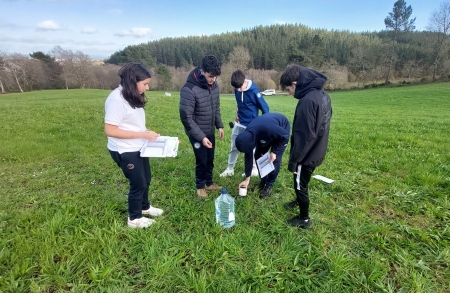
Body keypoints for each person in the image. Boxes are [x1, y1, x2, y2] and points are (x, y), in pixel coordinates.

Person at [104, 62, 164, 229]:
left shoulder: (131, 96)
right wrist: (142, 134)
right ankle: (134, 218)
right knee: (138, 184)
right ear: (132, 81)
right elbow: (110, 130)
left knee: (146, 179)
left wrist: (147, 133)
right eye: (145, 84)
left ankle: (144, 208)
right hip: (124, 150)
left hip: (138, 146)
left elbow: (132, 124)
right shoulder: (116, 100)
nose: (147, 88)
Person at [279, 64, 332, 229]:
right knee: (303, 181)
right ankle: (298, 199)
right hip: (318, 150)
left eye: (288, 89)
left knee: (299, 183)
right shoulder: (322, 95)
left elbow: (304, 137)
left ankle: (304, 218)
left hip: (307, 155)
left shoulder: (306, 102)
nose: (288, 93)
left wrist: (294, 162)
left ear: (295, 83)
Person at [179, 55, 224, 198]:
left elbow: (216, 107)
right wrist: (201, 137)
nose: (213, 79)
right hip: (196, 133)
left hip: (209, 129)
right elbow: (186, 118)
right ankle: (200, 187)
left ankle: (209, 183)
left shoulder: (214, 85)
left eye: (216, 77)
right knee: (202, 159)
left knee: (210, 158)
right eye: (211, 76)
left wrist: (219, 125)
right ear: (202, 71)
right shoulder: (189, 89)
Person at [220, 70, 270, 178]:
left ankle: (254, 170)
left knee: (252, 149)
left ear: (244, 81)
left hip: (251, 126)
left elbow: (265, 109)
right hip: (239, 124)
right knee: (233, 146)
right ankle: (230, 168)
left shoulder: (254, 91)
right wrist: (237, 114)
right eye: (236, 88)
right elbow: (240, 104)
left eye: (239, 87)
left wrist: (262, 125)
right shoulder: (236, 88)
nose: (238, 90)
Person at [235, 112, 290, 199]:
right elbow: (248, 157)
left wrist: (275, 151)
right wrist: (247, 179)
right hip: (265, 133)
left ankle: (269, 185)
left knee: (274, 159)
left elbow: (285, 136)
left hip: (281, 130)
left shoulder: (268, 129)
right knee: (258, 157)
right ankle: (263, 182)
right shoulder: (247, 136)